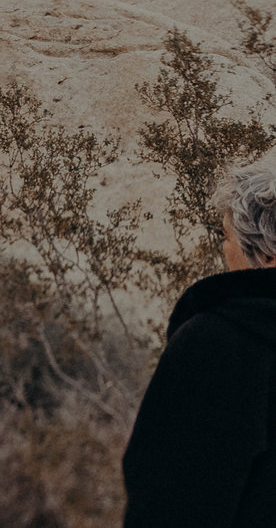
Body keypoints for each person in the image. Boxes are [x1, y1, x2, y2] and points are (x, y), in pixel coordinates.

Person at [122, 154, 276, 523]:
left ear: (265, 250)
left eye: (227, 236)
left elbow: (166, 496)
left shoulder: (215, 343)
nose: (225, 250)